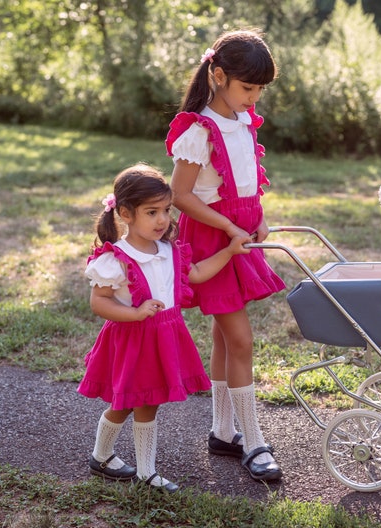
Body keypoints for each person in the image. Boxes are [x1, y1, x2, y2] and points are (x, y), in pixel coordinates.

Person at [77, 163, 252, 492]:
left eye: (167, 211)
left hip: (165, 337)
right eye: (152, 212)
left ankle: (130, 467)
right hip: (132, 339)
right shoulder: (117, 258)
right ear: (126, 214)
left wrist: (229, 251)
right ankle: (117, 463)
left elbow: (196, 274)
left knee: (147, 402)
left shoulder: (170, 251)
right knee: (126, 403)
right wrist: (136, 312)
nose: (162, 220)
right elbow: (99, 302)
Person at [165, 29, 286, 482]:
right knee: (241, 340)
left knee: (222, 336)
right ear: (218, 75)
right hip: (214, 240)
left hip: (238, 236)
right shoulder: (199, 129)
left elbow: (245, 180)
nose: (254, 98)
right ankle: (253, 442)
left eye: (259, 90)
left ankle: (222, 432)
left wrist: (258, 217)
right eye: (247, 88)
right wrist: (231, 228)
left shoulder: (241, 119)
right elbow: (180, 195)